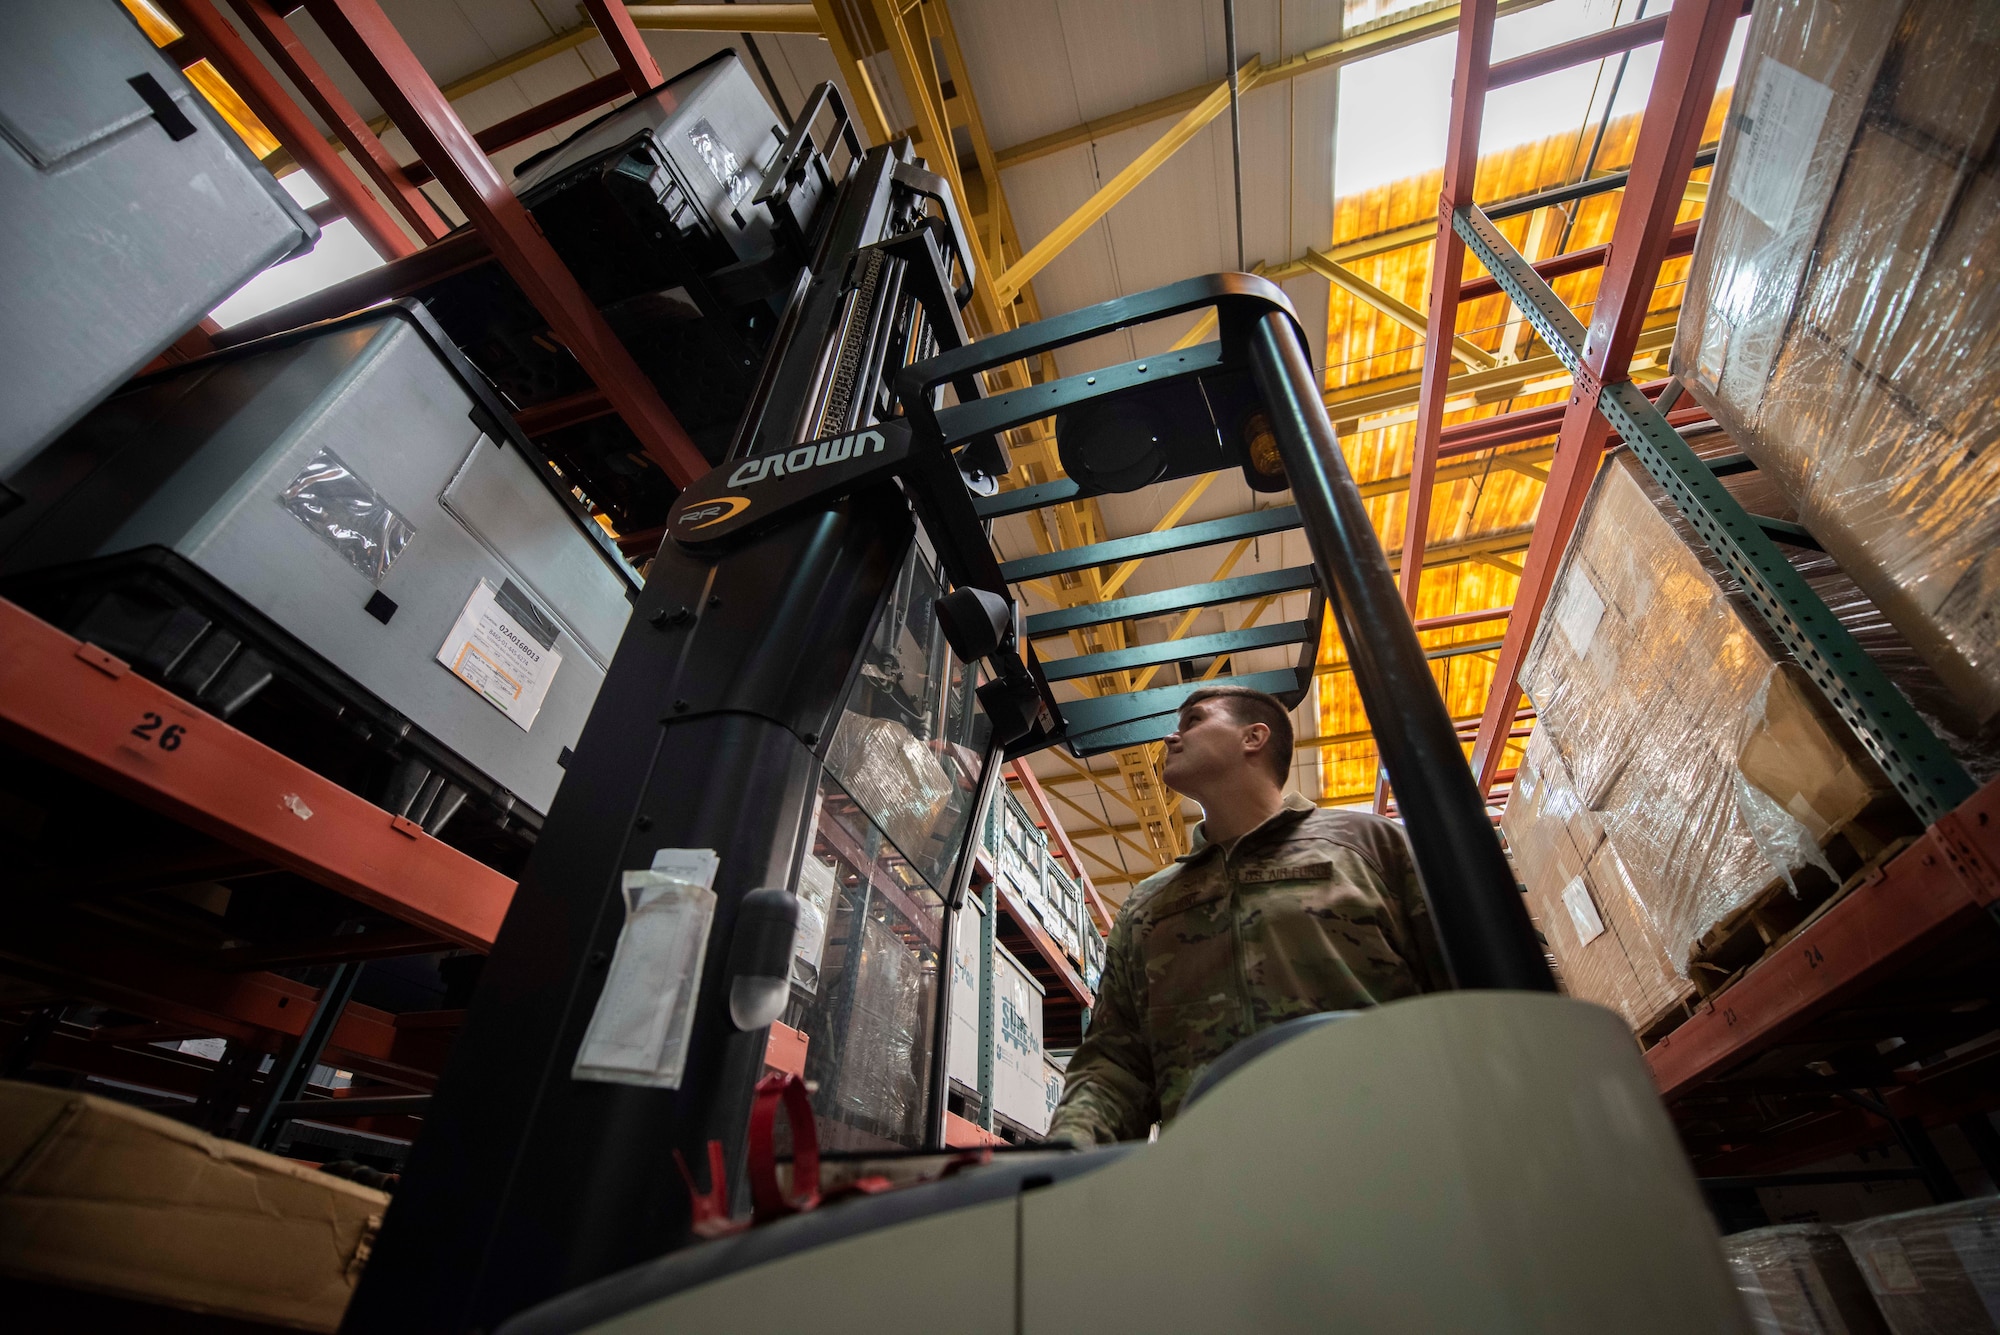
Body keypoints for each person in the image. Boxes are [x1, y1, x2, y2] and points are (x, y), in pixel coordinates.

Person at [1046, 684, 1446, 1147]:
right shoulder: (1147, 905)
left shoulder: (1367, 846)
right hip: (1215, 1186)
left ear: (1253, 737)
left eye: (1193, 721)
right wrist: (1069, 1145)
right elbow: (1116, 1063)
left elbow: (1471, 989)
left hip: (1391, 1160)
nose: (1170, 740)